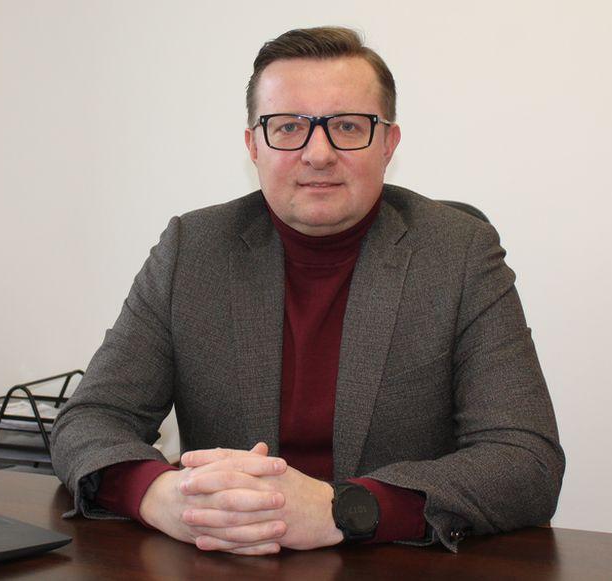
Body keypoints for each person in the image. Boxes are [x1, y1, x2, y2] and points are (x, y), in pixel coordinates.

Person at [50, 26, 564, 556]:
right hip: (228, 559)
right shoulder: (192, 250)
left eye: (347, 126)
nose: (318, 153)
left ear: (388, 144)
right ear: (253, 145)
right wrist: (160, 495)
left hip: (393, 562)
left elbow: (526, 460)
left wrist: (345, 510)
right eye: (289, 127)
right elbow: (90, 420)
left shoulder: (460, 254)